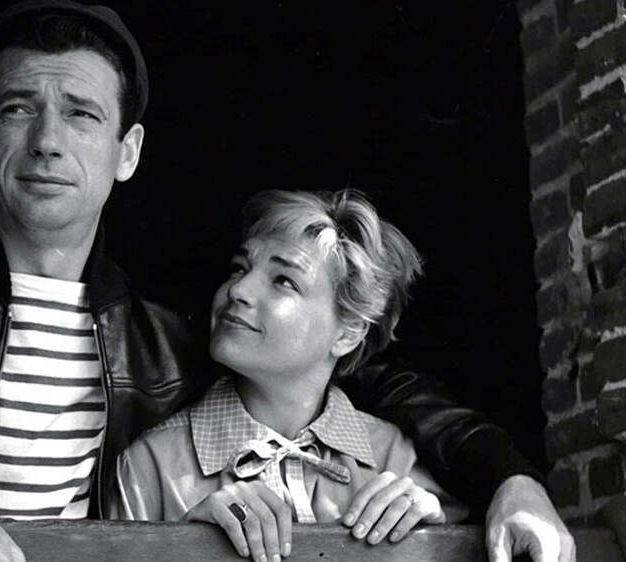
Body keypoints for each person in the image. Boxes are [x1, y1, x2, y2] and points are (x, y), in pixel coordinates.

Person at [0, 2, 574, 562]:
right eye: (18, 109)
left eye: (82, 114)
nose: (47, 141)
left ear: (126, 151)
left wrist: (510, 480)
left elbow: (355, 371)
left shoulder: (168, 336)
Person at [112, 189, 468, 559]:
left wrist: (438, 540)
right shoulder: (150, 465)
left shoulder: (397, 460)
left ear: (348, 334)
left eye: (284, 280)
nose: (238, 289)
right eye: (240, 268)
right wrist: (184, 549)